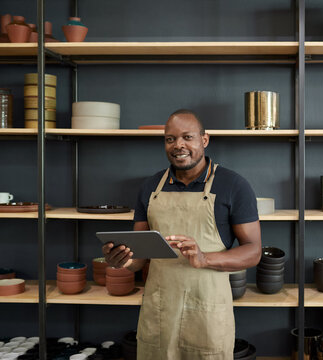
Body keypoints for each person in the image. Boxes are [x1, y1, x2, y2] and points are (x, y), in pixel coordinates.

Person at [102, 109, 262, 359]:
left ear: (204, 140)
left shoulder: (233, 185)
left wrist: (205, 258)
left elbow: (253, 252)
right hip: (159, 311)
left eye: (187, 137)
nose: (178, 145)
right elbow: (139, 261)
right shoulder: (150, 187)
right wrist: (122, 259)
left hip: (207, 314)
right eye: (170, 139)